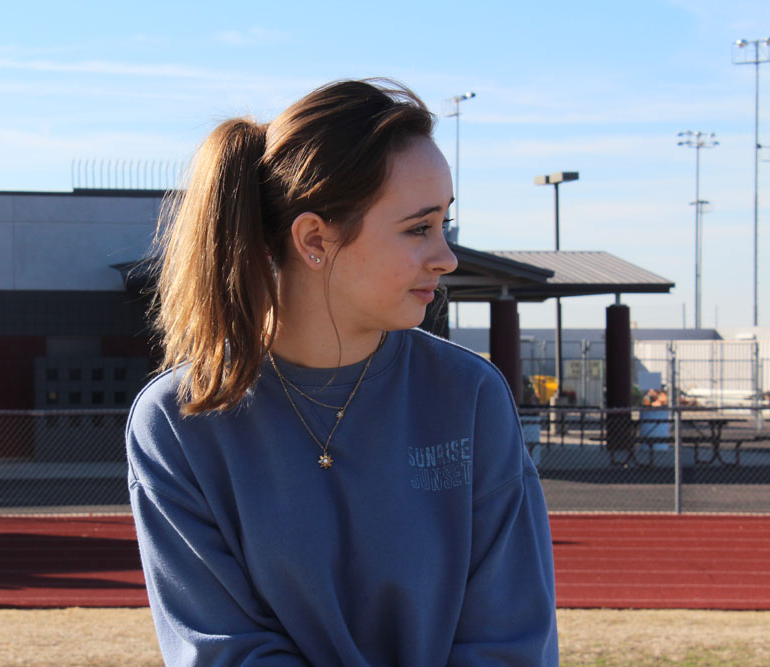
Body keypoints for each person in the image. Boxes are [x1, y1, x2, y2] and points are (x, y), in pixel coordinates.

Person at [126, 79, 558, 665]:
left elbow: (510, 641)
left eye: (445, 225)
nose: (447, 257)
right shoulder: (179, 421)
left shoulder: (470, 396)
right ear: (313, 240)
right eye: (417, 228)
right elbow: (224, 650)